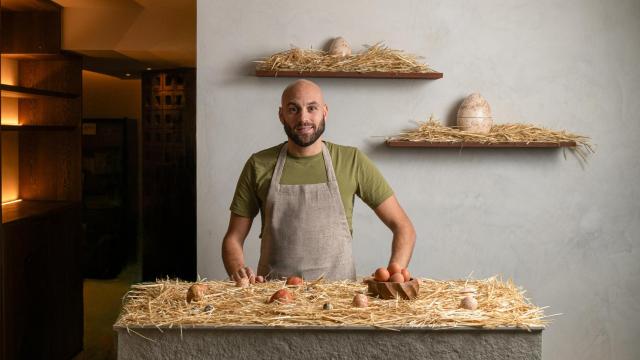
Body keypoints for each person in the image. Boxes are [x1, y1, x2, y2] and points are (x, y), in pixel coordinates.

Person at [222, 79, 415, 282]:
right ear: (281, 115)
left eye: (311, 108)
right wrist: (238, 270)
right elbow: (233, 239)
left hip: (339, 304)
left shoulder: (352, 161)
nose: (303, 118)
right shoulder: (258, 164)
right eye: (293, 109)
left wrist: (395, 275)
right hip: (275, 302)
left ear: (324, 111)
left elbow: (403, 227)